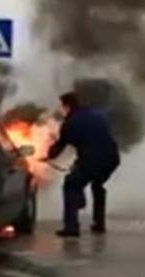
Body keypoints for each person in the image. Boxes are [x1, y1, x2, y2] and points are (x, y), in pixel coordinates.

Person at [47, 91, 121, 238]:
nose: (60, 111)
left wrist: (48, 154)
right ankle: (99, 223)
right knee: (97, 184)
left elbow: (58, 149)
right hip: (112, 158)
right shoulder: (96, 114)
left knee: (71, 184)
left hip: (93, 159)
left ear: (66, 106)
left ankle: (71, 227)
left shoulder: (70, 123)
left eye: (61, 107)